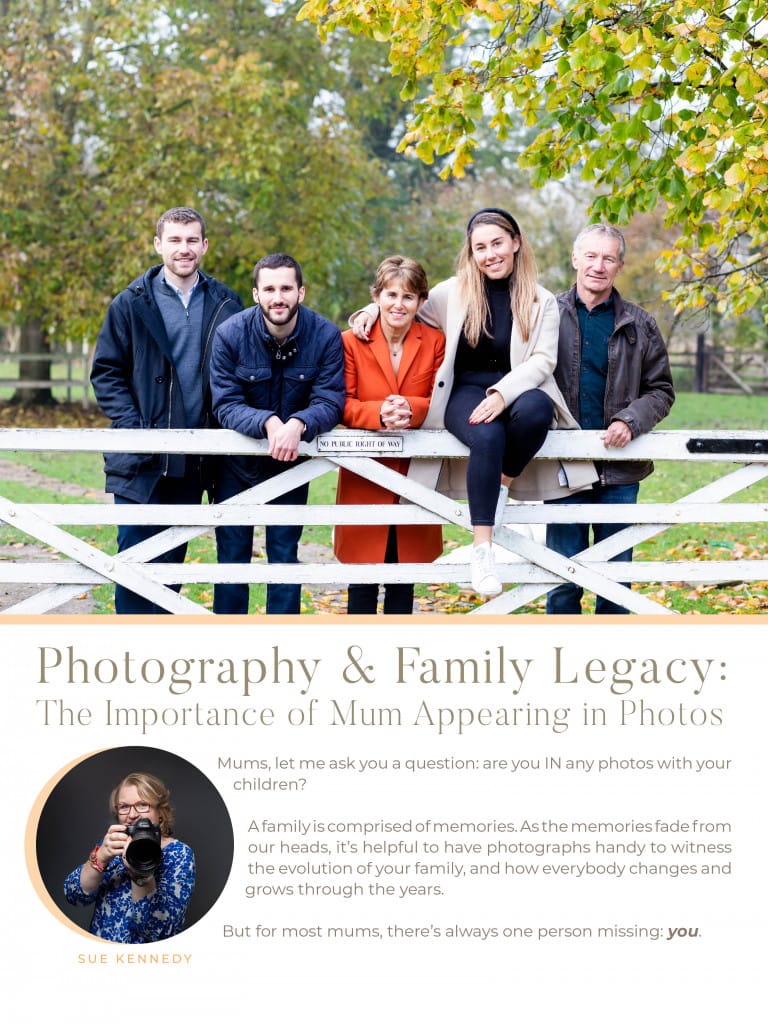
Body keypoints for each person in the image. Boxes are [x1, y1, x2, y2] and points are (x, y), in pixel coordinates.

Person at [352, 208, 596, 598]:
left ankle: (501, 484)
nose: (490, 254)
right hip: (463, 389)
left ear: (516, 243)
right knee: (486, 435)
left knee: (536, 411)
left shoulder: (541, 300)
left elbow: (543, 360)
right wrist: (369, 310)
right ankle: (483, 549)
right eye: (480, 247)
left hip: (516, 388)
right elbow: (405, 303)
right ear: (471, 252)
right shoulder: (455, 291)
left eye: (497, 243)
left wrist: (503, 394)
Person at [90, 206, 244, 614]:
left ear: (205, 246)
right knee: (134, 562)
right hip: (141, 460)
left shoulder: (227, 302)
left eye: (192, 240)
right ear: (158, 245)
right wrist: (135, 428)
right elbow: (106, 372)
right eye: (175, 240)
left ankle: (161, 657)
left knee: (171, 567)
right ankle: (130, 658)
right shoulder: (129, 303)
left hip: (196, 460)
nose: (184, 248)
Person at [546, 223, 675, 614]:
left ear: (619, 265)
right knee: (562, 578)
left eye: (608, 258)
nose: (598, 266)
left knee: (615, 580)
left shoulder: (640, 323)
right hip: (562, 466)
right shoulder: (545, 314)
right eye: (590, 256)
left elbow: (661, 390)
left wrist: (630, 420)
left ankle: (612, 662)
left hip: (620, 471)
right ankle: (560, 662)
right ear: (575, 259)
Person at [210, 253, 345, 614]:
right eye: (269, 288)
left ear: (301, 292)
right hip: (236, 467)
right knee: (232, 558)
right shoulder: (230, 335)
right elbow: (224, 403)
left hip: (292, 467)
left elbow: (331, 400)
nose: (278, 297)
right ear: (256, 294)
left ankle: (283, 642)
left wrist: (299, 423)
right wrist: (269, 422)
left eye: (286, 288)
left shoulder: (326, 335)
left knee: (284, 556)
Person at [335, 256, 446, 614]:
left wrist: (412, 409)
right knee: (362, 583)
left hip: (415, 472)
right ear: (376, 296)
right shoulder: (350, 342)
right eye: (391, 294)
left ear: (421, 303)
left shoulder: (435, 342)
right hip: (364, 474)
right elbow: (342, 404)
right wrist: (377, 413)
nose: (399, 304)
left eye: (409, 297)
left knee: (404, 582)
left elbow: (440, 398)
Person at [64, 772, 195, 943]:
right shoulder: (112, 844)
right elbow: (74, 895)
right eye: (124, 806)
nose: (132, 814)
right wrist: (100, 858)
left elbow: (159, 933)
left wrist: (140, 873)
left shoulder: (179, 853)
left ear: (160, 811)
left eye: (142, 804)